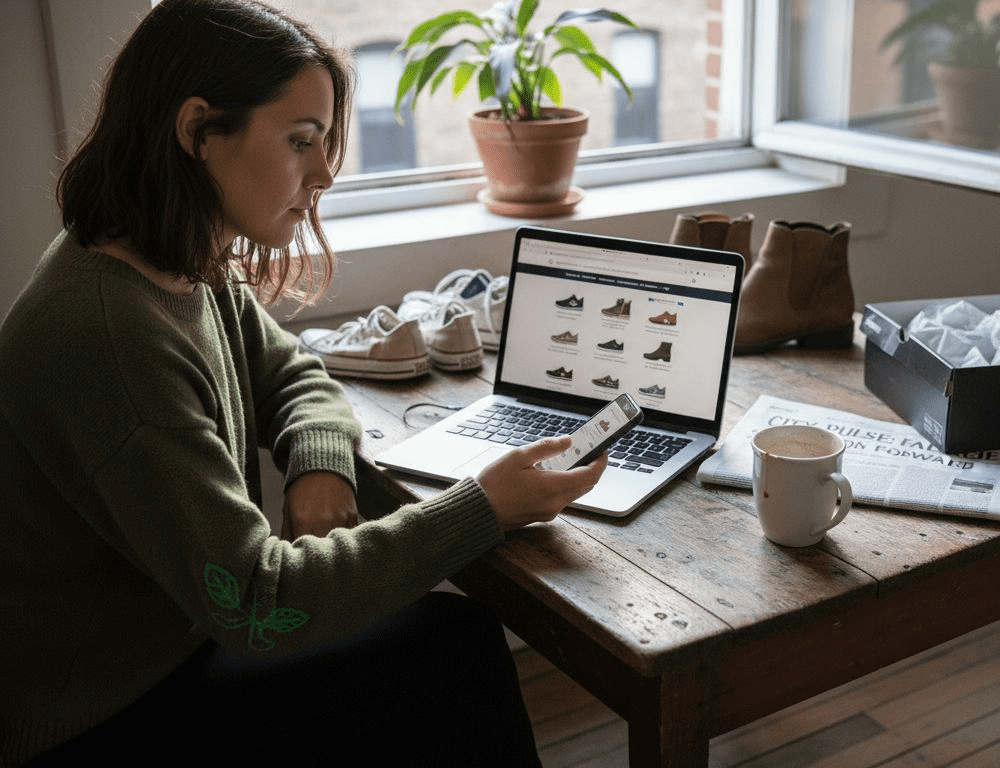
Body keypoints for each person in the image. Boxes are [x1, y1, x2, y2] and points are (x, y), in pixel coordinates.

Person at [0, 1, 605, 764]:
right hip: (100, 714)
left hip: (172, 648)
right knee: (455, 650)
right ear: (197, 131)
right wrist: (481, 508)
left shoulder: (180, 259)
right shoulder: (110, 334)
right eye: (300, 141)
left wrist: (317, 461)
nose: (322, 172)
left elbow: (292, 369)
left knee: (432, 653)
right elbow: (258, 604)